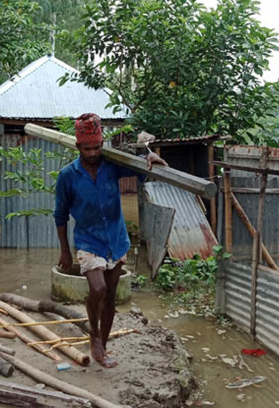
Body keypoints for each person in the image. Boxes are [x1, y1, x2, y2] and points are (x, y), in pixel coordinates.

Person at [54, 113, 167, 368]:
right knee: (98, 289)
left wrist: (149, 158)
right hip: (88, 240)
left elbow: (140, 168)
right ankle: (93, 334)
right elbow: (60, 215)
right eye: (87, 148)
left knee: (111, 295)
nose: (93, 153)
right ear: (78, 147)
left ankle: (103, 346)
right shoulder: (68, 176)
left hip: (115, 239)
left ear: (102, 144)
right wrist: (65, 252)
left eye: (97, 147)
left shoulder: (112, 164)